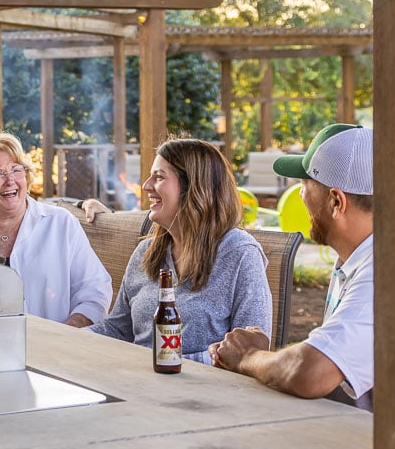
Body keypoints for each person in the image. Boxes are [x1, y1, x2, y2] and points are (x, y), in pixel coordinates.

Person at [210, 124, 374, 411]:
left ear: (336, 202)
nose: (299, 196)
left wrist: (248, 356)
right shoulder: (355, 257)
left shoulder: (383, 272)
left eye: (304, 184)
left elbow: (311, 372)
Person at [87, 139, 272, 364]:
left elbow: (251, 351)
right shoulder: (147, 251)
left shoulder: (240, 254)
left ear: (194, 187)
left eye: (159, 177)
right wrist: (62, 339)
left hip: (201, 392)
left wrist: (162, 362)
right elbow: (117, 329)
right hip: (134, 383)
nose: (145, 186)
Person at [0, 132, 111, 326]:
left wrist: (66, 334)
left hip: (55, 348)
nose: (10, 180)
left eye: (16, 170)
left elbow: (95, 292)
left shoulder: (61, 224)